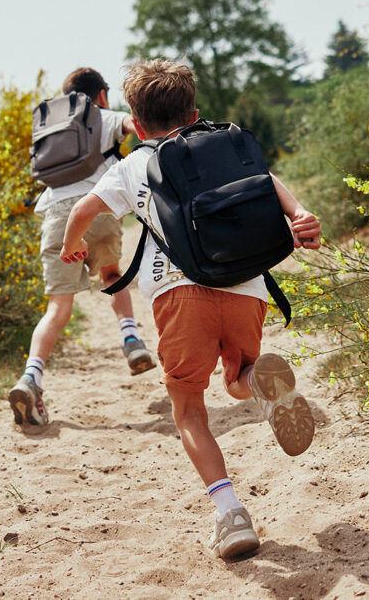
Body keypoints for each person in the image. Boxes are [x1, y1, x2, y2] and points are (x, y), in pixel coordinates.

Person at [60, 59, 322, 559]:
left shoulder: (133, 165)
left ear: (137, 126)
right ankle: (260, 385)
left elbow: (81, 211)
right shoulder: (224, 146)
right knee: (238, 375)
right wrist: (300, 214)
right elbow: (267, 181)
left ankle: (231, 514)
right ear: (195, 114)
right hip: (245, 287)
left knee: (188, 408)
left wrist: (73, 248)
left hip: (179, 296)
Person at [9, 67, 156, 427]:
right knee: (112, 276)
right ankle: (131, 339)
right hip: (97, 206)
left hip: (56, 214)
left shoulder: (51, 127)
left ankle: (30, 377)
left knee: (57, 307)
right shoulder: (103, 116)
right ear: (101, 94)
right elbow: (137, 127)